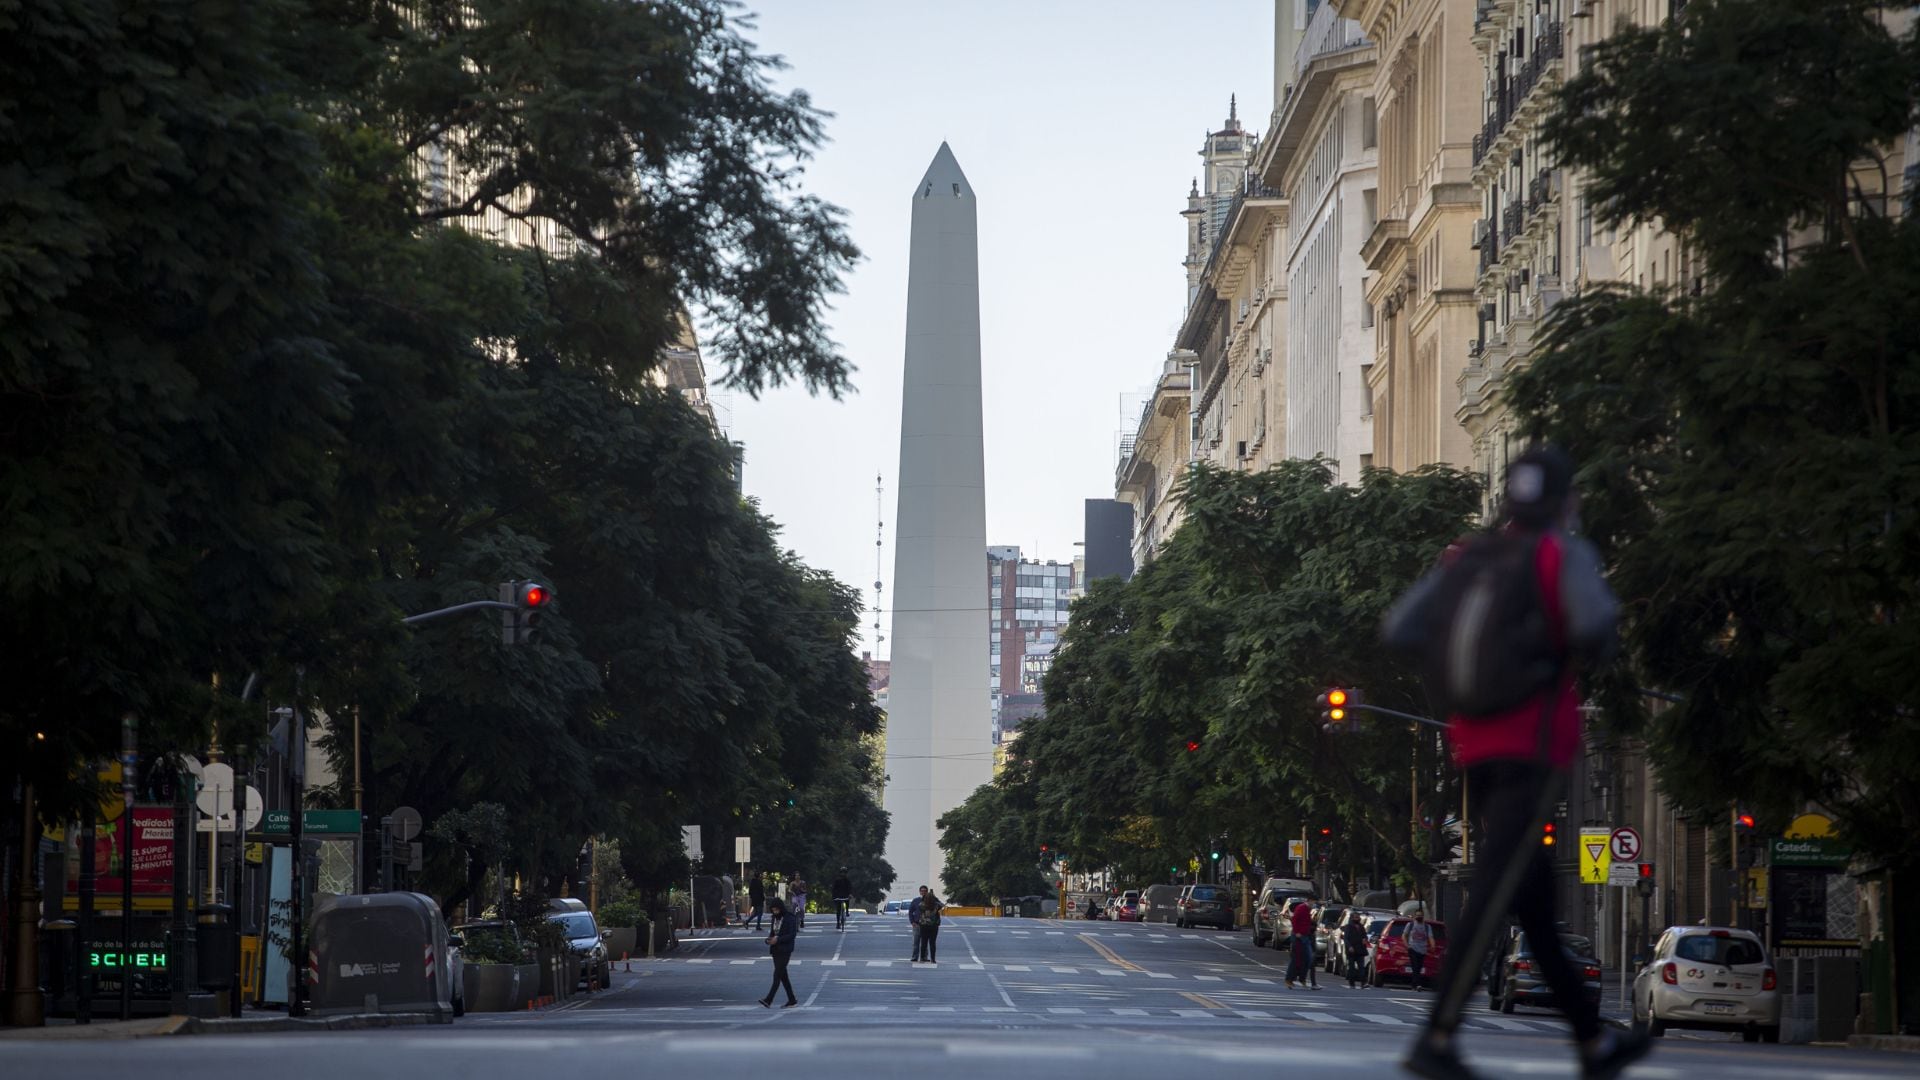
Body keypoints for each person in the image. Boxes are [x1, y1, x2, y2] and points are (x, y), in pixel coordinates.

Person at [1383, 445, 1650, 1080]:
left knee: (1533, 901)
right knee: (1497, 889)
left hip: (1471, 743)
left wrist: (1461, 680)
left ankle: (1593, 1042)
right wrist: (1542, 658)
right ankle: (1437, 1036)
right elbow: (1599, 629)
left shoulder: (1466, 556)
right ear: (1566, 502)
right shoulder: (1561, 553)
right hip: (1531, 747)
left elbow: (1401, 628)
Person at [756, 896, 799, 1009]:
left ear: (781, 908)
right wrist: (768, 940)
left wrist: (778, 939)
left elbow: (792, 934)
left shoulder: (789, 918)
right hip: (775, 950)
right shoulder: (774, 918)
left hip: (785, 950)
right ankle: (792, 999)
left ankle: (768, 999)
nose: (775, 912)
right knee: (783, 976)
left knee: (777, 975)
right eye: (773, 910)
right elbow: (772, 932)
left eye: (777, 910)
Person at [1285, 900, 1315, 989]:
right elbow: (1295, 920)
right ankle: (1290, 979)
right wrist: (1297, 932)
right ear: (1309, 901)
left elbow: (1306, 922)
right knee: (1297, 958)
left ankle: (1301, 978)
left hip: (1305, 936)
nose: (1313, 904)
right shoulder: (1302, 908)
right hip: (1299, 936)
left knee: (1307, 959)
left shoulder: (1307, 909)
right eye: (1313, 902)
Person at [1405, 911, 1432, 992]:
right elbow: (1404, 935)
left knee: (1418, 967)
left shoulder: (1427, 926)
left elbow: (1430, 937)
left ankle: (1414, 984)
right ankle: (1418, 984)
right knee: (1415, 966)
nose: (1419, 917)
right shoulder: (1410, 925)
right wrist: (1407, 945)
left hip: (1422, 950)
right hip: (1413, 948)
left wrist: (1432, 945)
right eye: (1417, 915)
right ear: (1414, 916)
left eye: (1420, 915)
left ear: (1423, 916)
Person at [1342, 916, 1371, 989]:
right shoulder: (1349, 927)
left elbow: (1365, 936)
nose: (1357, 919)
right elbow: (1346, 938)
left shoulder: (1361, 927)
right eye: (1355, 917)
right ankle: (1352, 983)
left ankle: (1363, 983)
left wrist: (1365, 939)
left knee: (1361, 967)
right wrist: (1349, 946)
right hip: (1352, 950)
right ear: (1352, 919)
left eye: (1358, 917)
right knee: (1351, 967)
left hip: (1360, 949)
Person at [919, 890, 944, 964]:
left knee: (924, 942)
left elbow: (919, 907)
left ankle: (922, 957)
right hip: (933, 926)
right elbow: (942, 905)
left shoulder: (921, 905)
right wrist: (935, 898)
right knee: (932, 943)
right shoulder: (936, 905)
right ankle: (933, 959)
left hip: (924, 925)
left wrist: (924, 898)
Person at [908, 885, 929, 961]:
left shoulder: (929, 900)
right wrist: (912, 922)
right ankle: (914, 957)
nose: (923, 892)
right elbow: (910, 912)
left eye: (925, 891)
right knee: (916, 942)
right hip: (917, 924)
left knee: (925, 942)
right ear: (920, 892)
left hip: (926, 924)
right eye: (922, 891)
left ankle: (924, 957)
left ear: (927, 892)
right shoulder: (916, 900)